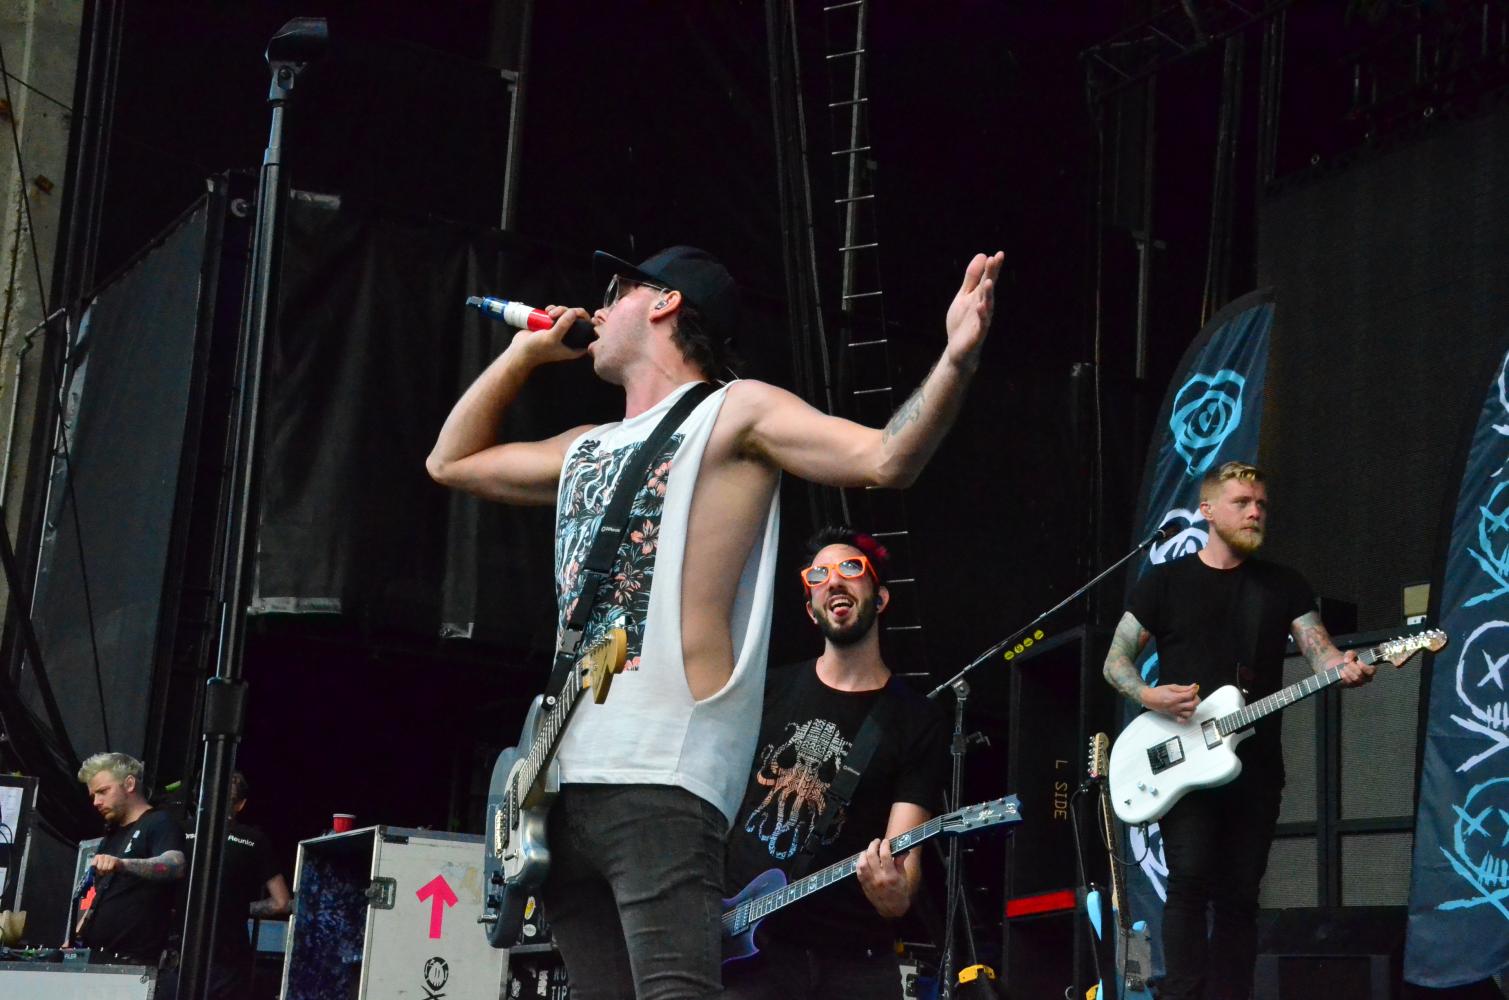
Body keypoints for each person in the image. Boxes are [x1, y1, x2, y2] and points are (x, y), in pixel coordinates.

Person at [427, 244, 1001, 999]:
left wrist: (954, 360)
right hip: (558, 787)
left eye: (616, 292)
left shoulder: (737, 412)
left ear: (664, 302)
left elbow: (886, 458)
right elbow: (450, 462)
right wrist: (523, 357)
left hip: (660, 778)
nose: (597, 310)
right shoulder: (586, 446)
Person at [1101, 461, 1376, 1000]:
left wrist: (1346, 666)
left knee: (1240, 896)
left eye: (1262, 505)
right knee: (1188, 880)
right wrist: (1150, 694)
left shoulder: (1284, 585)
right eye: (1242, 503)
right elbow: (1115, 662)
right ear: (1207, 511)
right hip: (1182, 756)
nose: (1255, 512)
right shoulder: (1164, 583)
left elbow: (1321, 654)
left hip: (1255, 763)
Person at [722, 526, 946, 999]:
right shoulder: (767, 691)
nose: (833, 581)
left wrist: (894, 893)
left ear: (880, 598)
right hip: (746, 953)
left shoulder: (913, 719)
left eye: (850, 569)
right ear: (811, 609)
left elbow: (904, 873)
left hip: (854, 962)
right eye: (818, 575)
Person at [183, 771, 291, 1000]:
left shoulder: (180, 832)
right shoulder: (254, 839)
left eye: (225, 799)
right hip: (216, 958)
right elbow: (281, 902)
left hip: (190, 956)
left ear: (240, 804)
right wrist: (236, 908)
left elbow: (282, 903)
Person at [75, 752, 187, 966]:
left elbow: (175, 864)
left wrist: (123, 864)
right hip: (98, 957)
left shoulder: (159, 822)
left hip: (135, 962)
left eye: (103, 791)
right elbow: (99, 893)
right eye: (93, 796)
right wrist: (76, 935)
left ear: (129, 784)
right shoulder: (112, 834)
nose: (96, 802)